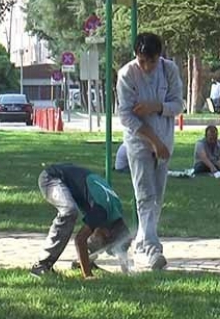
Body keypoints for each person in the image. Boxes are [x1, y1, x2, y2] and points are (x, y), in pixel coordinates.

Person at [117, 32, 184, 271]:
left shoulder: (169, 70)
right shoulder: (127, 74)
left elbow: (178, 104)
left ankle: (142, 242)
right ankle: (153, 248)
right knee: (145, 194)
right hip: (139, 142)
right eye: (141, 60)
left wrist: (156, 106)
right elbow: (126, 115)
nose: (146, 66)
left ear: (160, 57)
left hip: (165, 140)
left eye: (151, 61)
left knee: (157, 196)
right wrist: (153, 140)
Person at [30, 163, 131, 278]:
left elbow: (121, 240)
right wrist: (88, 275)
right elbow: (79, 240)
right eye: (105, 244)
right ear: (107, 233)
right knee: (69, 211)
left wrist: (126, 273)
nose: (103, 249)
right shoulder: (101, 212)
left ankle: (83, 262)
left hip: (71, 177)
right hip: (52, 177)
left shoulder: (115, 215)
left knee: (95, 236)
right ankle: (42, 265)